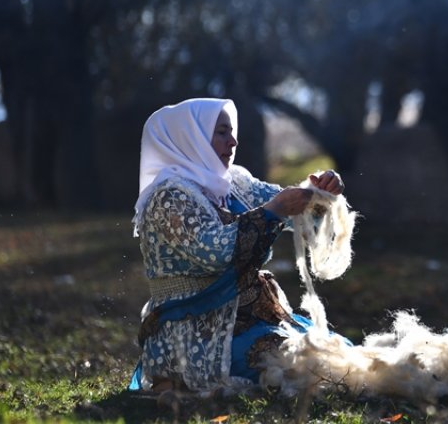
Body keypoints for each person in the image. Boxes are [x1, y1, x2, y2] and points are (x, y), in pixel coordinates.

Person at [128, 97, 346, 392]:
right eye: (221, 132)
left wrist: (319, 192)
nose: (232, 142)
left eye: (232, 133)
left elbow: (291, 207)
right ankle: (174, 379)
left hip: (246, 318)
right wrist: (273, 211)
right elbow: (217, 253)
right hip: (195, 330)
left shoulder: (233, 182)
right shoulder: (167, 198)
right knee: (296, 363)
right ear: (190, 136)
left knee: (334, 351)